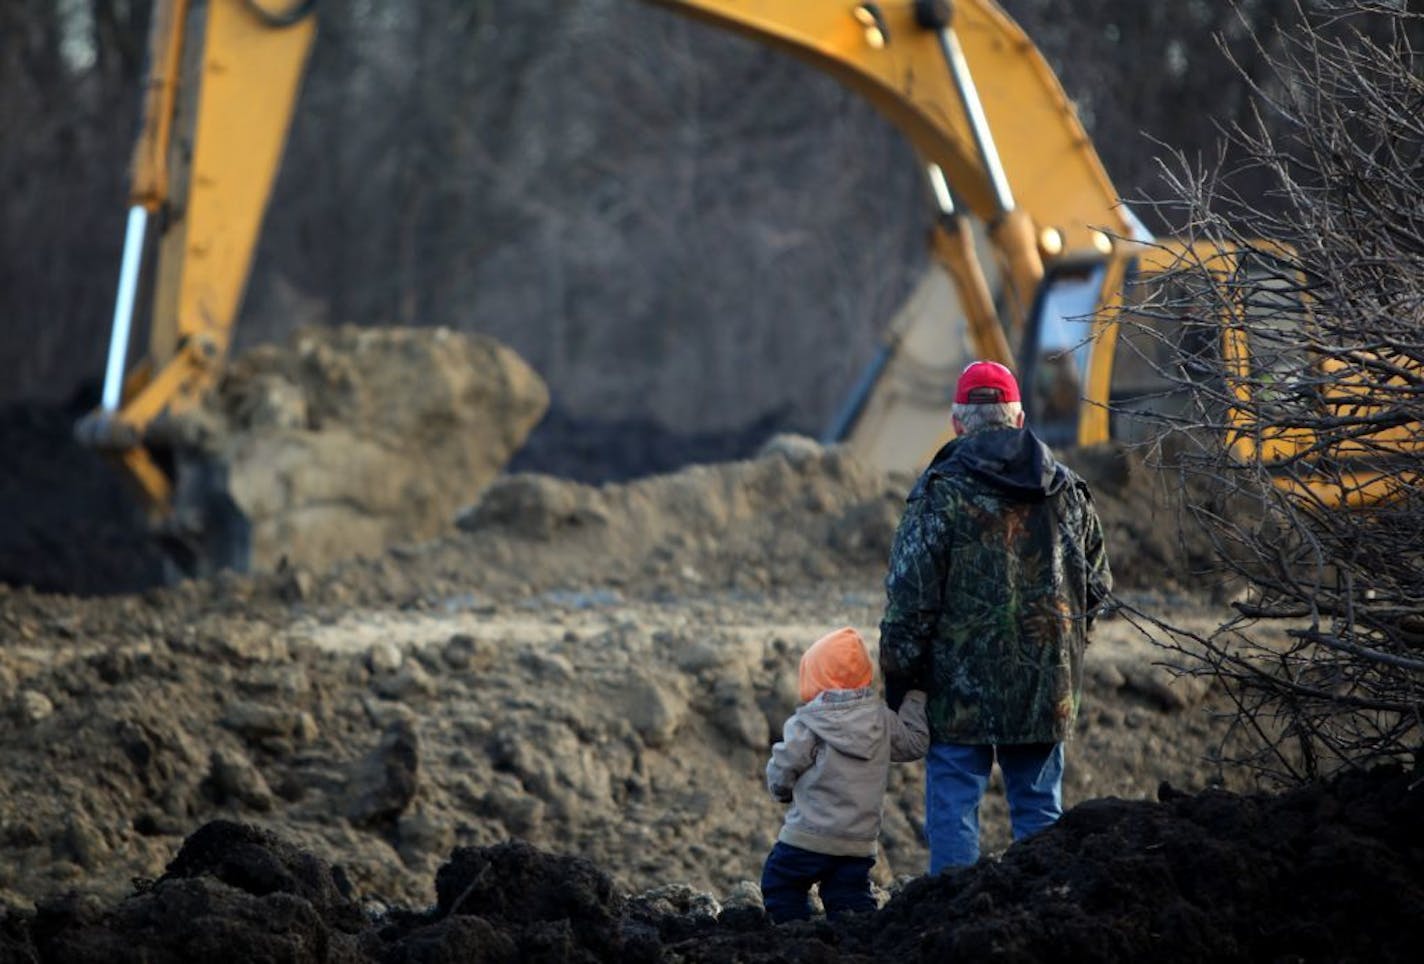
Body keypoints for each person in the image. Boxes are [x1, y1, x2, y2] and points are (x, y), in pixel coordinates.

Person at [877, 360, 1112, 874]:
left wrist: (901, 678)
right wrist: (1063, 656)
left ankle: (955, 923)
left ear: (958, 422)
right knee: (1040, 815)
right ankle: (1042, 918)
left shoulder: (938, 492)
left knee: (955, 812)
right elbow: (1098, 587)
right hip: (1044, 689)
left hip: (957, 697)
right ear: (1020, 417)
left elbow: (908, 602)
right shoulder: (1068, 491)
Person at [760, 626, 929, 923]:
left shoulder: (808, 723)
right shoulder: (882, 720)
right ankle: (856, 941)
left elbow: (785, 765)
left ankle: (794, 935)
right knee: (849, 897)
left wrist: (780, 790)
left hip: (808, 838)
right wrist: (915, 698)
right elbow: (915, 743)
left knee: (781, 884)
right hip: (857, 844)